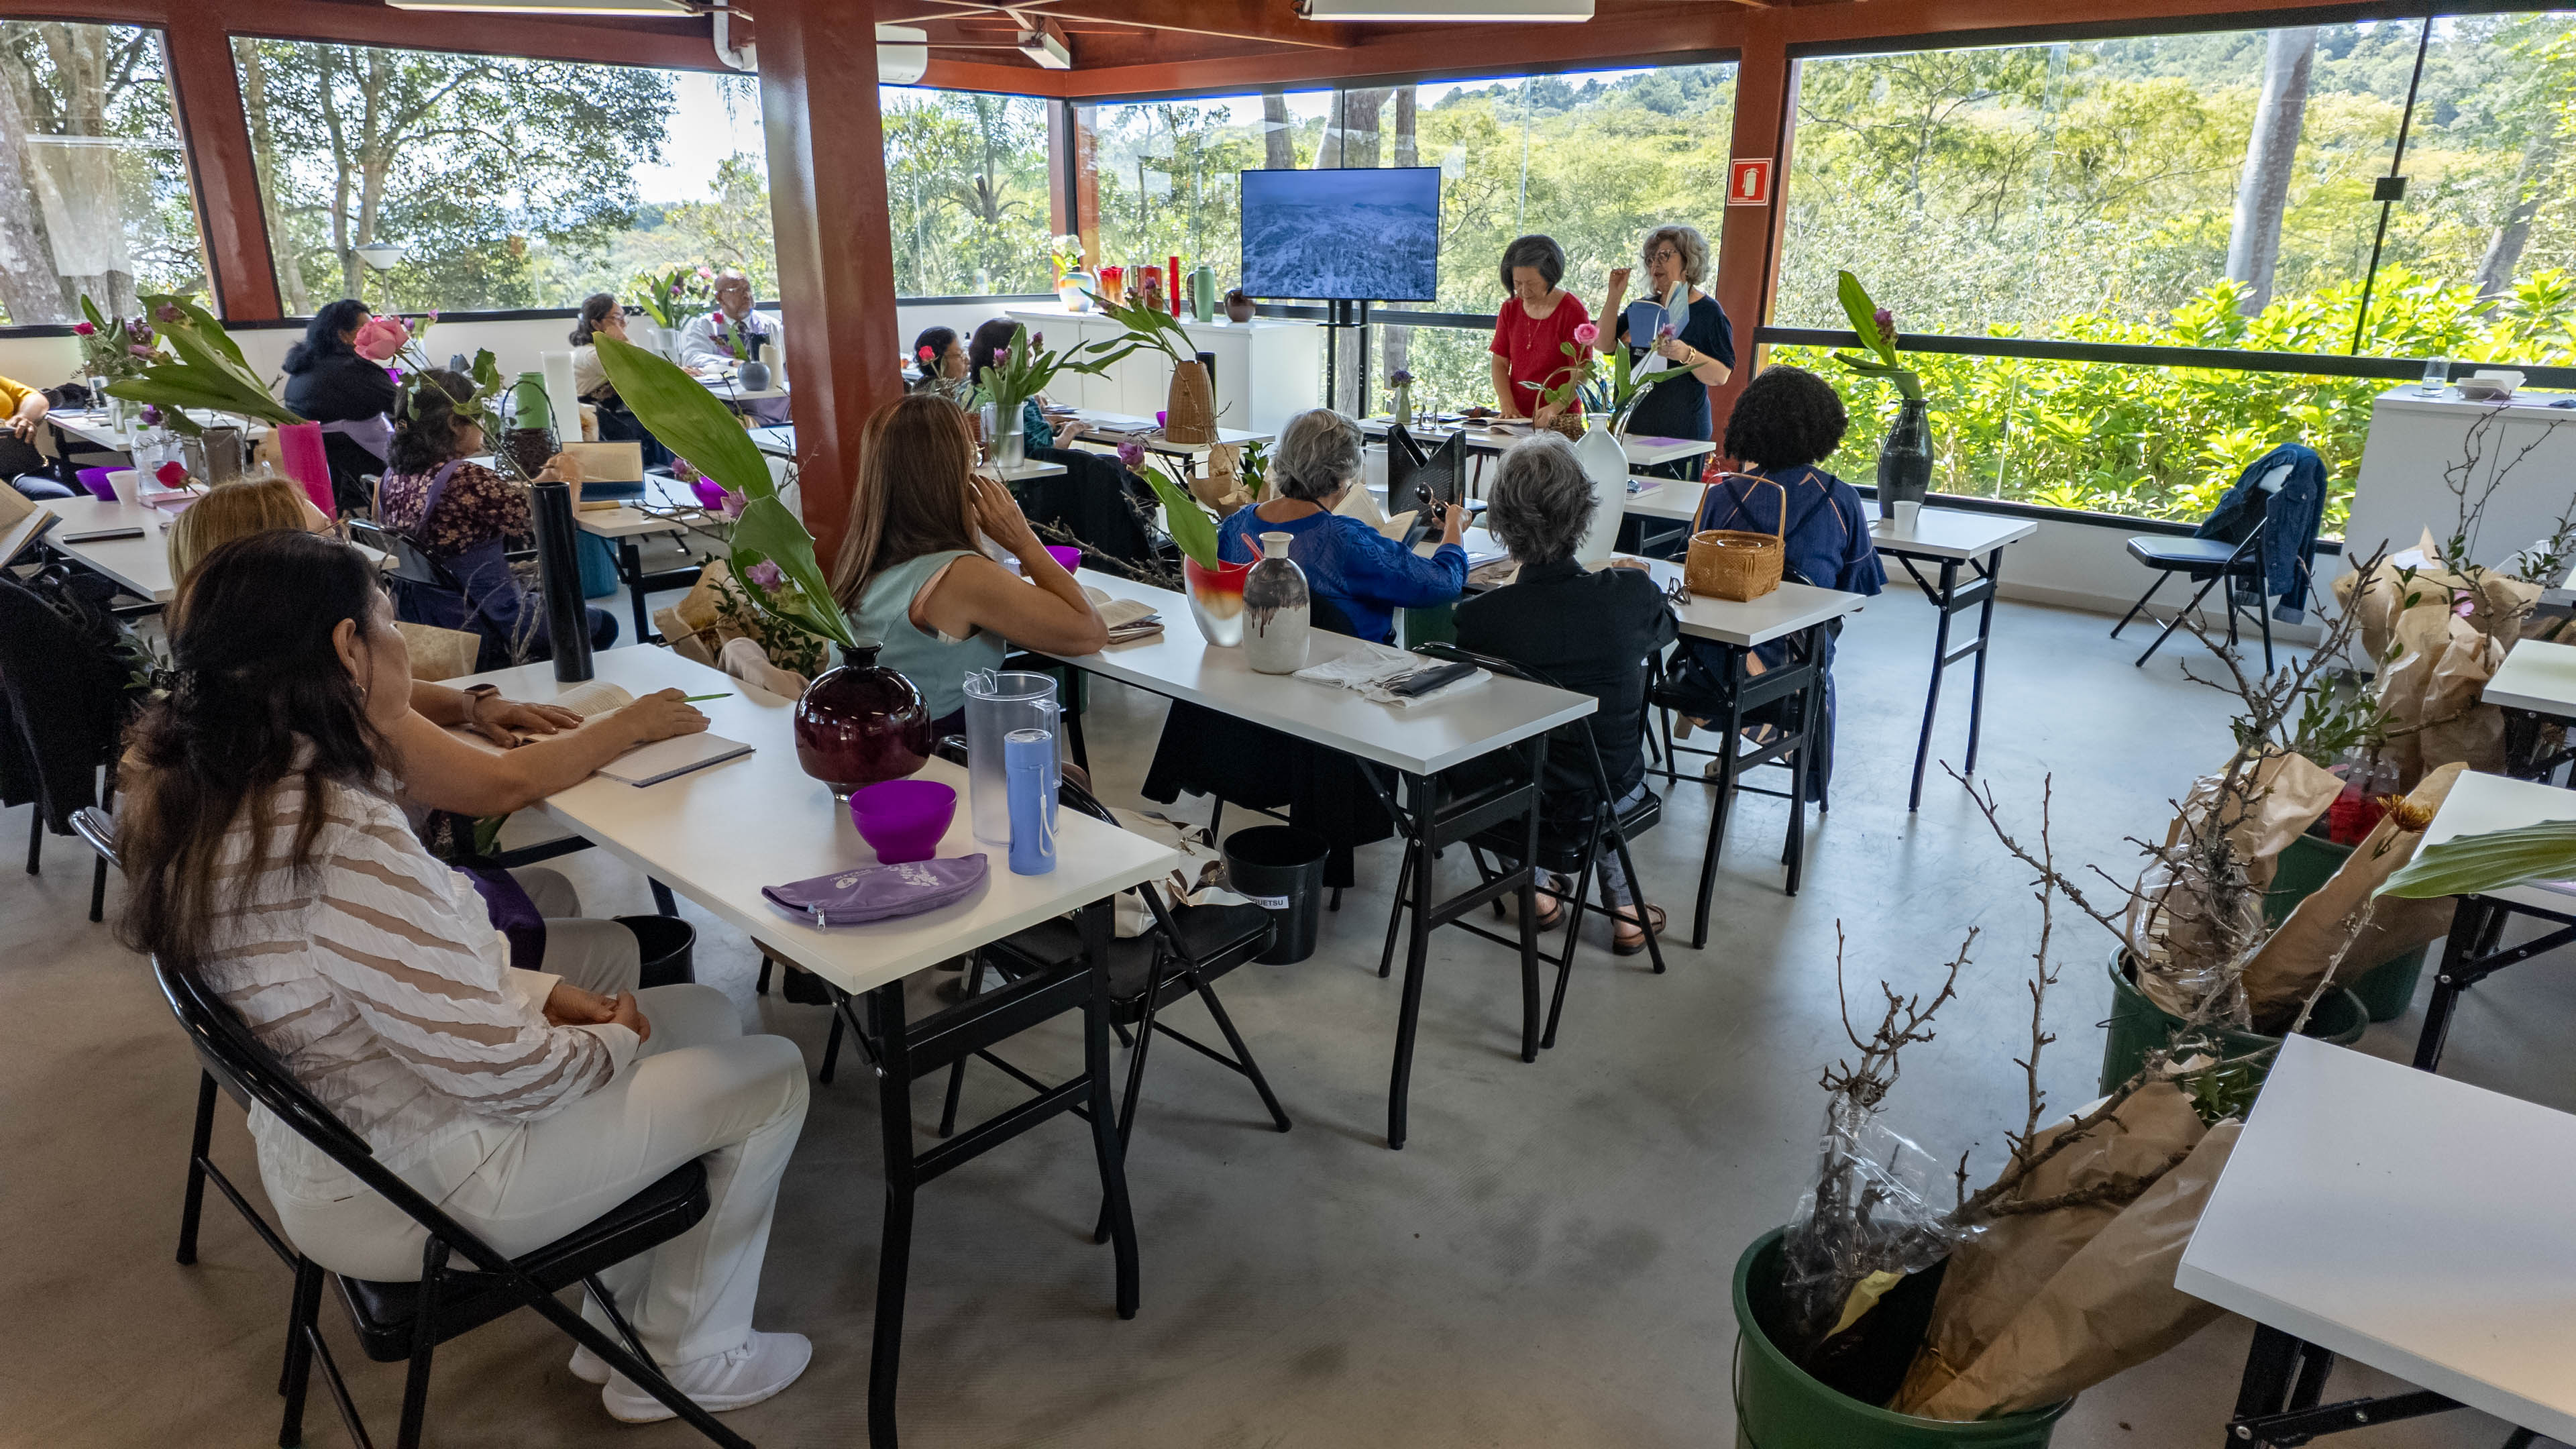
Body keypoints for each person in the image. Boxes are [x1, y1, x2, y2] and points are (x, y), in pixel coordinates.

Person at [115, 530, 813, 1426]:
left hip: (350, 1141)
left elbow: (392, 973)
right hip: (423, 1189)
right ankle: (686, 1359)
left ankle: (635, 1317)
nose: (401, 637)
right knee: (770, 1075)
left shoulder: (222, 788)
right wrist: (608, 1042)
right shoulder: (334, 841)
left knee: (709, 1008)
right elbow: (509, 1075)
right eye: (388, 619)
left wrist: (542, 996)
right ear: (345, 651)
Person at [163, 472, 712, 981]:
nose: (348, 546)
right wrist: (628, 722)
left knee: (550, 890)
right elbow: (502, 785)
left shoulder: (233, 698)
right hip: (399, 951)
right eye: (327, 537)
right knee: (607, 942)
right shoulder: (342, 722)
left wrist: (472, 707)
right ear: (282, 576)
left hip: (323, 959)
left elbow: (403, 700)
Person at [1454, 435, 1675, 953]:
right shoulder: (1629, 597)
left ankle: (1534, 894)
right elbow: (1667, 632)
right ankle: (1624, 912)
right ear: (1584, 513)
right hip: (1607, 789)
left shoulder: (1479, 619)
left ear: (1503, 524)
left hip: (1515, 794)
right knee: (1601, 769)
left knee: (1507, 758)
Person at [827, 393, 1106, 731]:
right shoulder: (960, 575)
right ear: (952, 475)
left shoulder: (861, 563)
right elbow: (1090, 632)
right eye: (972, 457)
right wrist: (1022, 539)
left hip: (871, 746)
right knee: (1065, 775)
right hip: (936, 754)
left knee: (1069, 774)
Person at [1672, 365, 1884, 800]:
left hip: (1707, 675)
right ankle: (1806, 775)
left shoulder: (1719, 495)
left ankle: (1724, 756)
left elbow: (1685, 574)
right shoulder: (1839, 499)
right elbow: (1854, 598)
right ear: (1822, 428)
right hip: (1789, 676)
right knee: (1814, 639)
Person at [374, 368, 619, 670]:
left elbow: (516, 503)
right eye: (477, 417)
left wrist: (547, 476)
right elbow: (554, 524)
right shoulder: (463, 478)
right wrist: (571, 475)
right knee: (603, 623)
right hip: (487, 621)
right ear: (455, 423)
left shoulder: (391, 478)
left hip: (425, 618)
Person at [1214, 408, 1466, 645]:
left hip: (1259, 668)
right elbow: (1443, 582)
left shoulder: (1235, 526)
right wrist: (1454, 525)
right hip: (1349, 677)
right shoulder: (1345, 540)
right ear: (1343, 474)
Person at [963, 317, 1158, 564]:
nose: (1030, 358)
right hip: (1025, 491)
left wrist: (1041, 416)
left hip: (985, 487)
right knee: (1109, 469)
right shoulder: (1017, 399)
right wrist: (1071, 430)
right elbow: (1045, 451)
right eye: (1025, 351)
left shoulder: (968, 392)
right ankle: (1141, 540)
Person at [1596, 224, 1735, 471]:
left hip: (1681, 434)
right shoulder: (1643, 307)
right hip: (1633, 429)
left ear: (1689, 261)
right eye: (1651, 258)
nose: (1655, 265)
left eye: (1665, 255)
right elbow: (1604, 344)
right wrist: (1614, 296)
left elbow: (1721, 375)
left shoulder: (1709, 312)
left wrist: (1686, 354)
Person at [280, 299, 400, 515]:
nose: (375, 335)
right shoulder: (355, 371)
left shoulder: (300, 371)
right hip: (361, 477)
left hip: (320, 478)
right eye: (366, 330)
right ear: (343, 335)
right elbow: (405, 405)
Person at [1487, 235, 1592, 427]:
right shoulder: (1510, 308)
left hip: (1560, 419)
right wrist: (1507, 405)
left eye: (1532, 284)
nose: (1524, 291)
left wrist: (1555, 407)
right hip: (1518, 420)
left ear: (1550, 277)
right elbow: (1500, 363)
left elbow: (1581, 371)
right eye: (1518, 284)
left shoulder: (1572, 310)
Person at [570, 293, 669, 468]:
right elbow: (640, 368)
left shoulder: (601, 350)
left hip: (616, 416)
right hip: (606, 424)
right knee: (662, 422)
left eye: (624, 318)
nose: (623, 324)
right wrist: (623, 339)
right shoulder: (591, 354)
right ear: (596, 324)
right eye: (617, 318)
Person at [678, 270, 788, 424]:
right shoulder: (706, 325)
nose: (747, 295)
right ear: (719, 297)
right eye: (737, 290)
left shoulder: (771, 326)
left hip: (773, 404)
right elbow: (692, 357)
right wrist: (731, 363)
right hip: (729, 404)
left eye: (748, 288)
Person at [0, 372, 66, 498]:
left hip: (29, 464)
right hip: (7, 476)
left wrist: (24, 417)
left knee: (112, 479)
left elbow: (36, 398)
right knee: (57, 495)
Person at [908, 327, 972, 409]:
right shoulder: (935, 399)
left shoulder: (961, 386)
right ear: (940, 361)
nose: (967, 360)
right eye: (959, 355)